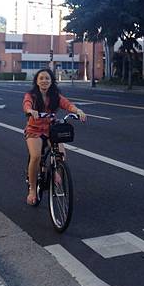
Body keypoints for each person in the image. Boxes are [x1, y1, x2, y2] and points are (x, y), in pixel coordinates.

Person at [22, 68, 86, 205]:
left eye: (47, 78)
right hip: (34, 129)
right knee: (36, 156)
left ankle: (56, 172)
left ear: (51, 81)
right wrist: (30, 111)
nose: (44, 81)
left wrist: (78, 111)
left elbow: (67, 105)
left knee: (61, 153)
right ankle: (32, 189)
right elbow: (26, 105)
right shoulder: (31, 95)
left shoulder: (55, 96)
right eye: (41, 78)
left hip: (51, 129)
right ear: (37, 81)